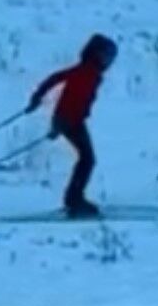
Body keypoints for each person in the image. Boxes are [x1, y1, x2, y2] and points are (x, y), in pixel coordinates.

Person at [26, 34, 118, 218]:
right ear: (95, 53)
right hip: (69, 120)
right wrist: (39, 99)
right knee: (87, 159)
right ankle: (74, 200)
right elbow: (57, 82)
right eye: (106, 55)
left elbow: (56, 80)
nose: (109, 61)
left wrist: (38, 97)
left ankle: (74, 198)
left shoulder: (90, 72)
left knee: (87, 159)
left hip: (73, 120)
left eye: (111, 57)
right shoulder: (85, 72)